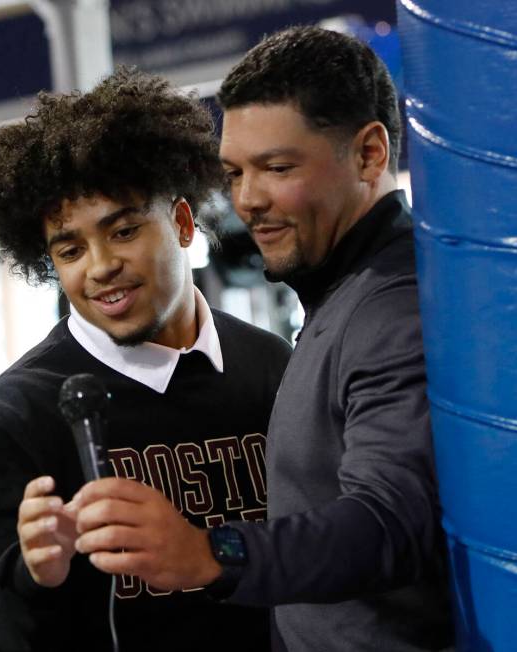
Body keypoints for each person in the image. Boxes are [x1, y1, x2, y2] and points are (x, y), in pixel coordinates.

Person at [69, 25, 456, 651]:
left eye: (276, 168)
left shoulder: (392, 310)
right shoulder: (341, 298)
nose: (248, 200)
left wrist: (210, 551)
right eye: (234, 173)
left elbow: (391, 522)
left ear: (369, 155)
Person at [0, 68, 292, 652]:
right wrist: (30, 575)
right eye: (71, 249)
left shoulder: (270, 366)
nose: (99, 267)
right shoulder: (17, 416)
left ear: (181, 223)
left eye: (123, 231)